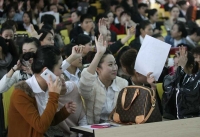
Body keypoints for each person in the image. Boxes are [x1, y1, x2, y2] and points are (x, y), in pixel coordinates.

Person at [8, 46, 76, 137]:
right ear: (46, 72)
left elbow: (47, 121)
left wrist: (64, 112)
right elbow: (41, 127)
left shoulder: (46, 88)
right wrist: (53, 96)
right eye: (60, 68)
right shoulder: (21, 93)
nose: (61, 72)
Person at [79, 34, 128, 124]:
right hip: (94, 130)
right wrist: (99, 54)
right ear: (98, 69)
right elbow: (85, 82)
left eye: (115, 64)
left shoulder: (123, 83)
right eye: (110, 65)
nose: (115, 68)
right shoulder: (91, 85)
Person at [120, 48, 162, 114]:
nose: (150, 73)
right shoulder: (125, 85)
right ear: (137, 73)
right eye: (146, 71)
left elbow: (159, 111)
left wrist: (153, 90)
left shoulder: (150, 84)